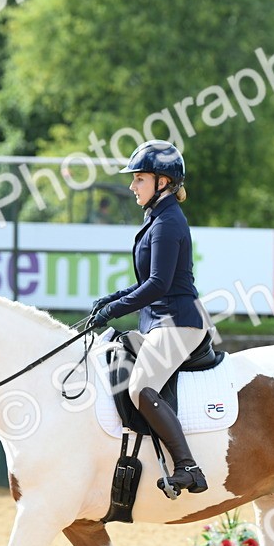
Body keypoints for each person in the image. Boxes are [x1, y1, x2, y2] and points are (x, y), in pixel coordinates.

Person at [89, 140, 208, 496]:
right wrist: (109, 299)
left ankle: (188, 467)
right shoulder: (157, 218)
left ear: (163, 182)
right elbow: (148, 281)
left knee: (141, 385)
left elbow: (158, 285)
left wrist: (115, 310)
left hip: (178, 322)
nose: (132, 186)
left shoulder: (169, 222)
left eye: (139, 178)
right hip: (157, 321)